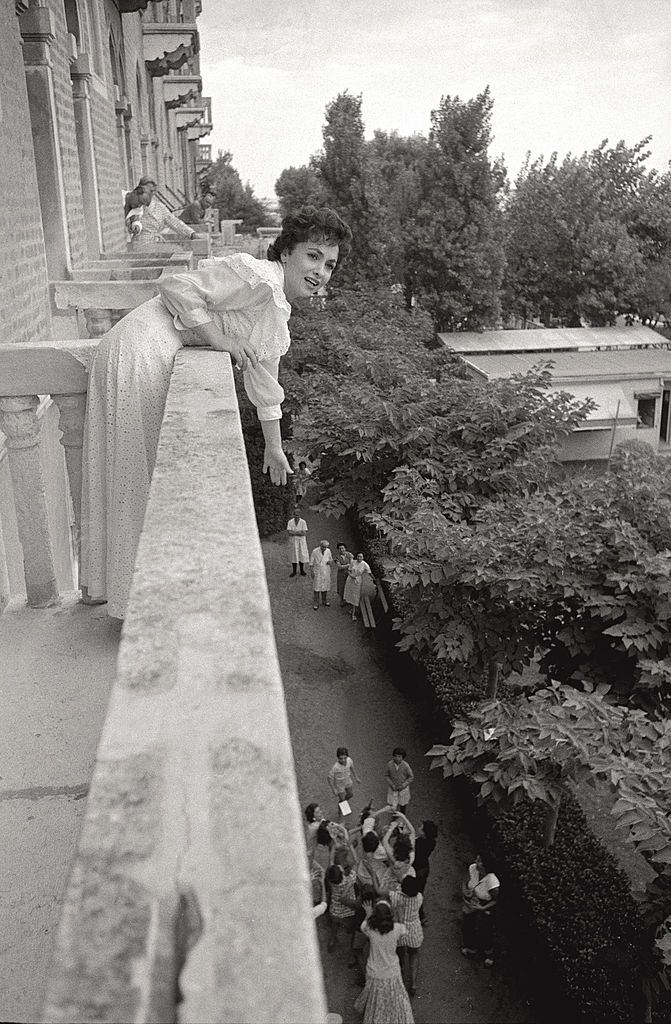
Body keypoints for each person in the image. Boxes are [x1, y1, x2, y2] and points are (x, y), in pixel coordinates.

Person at [80, 206, 351, 618]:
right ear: (287, 252)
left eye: (329, 264)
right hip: (142, 347)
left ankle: (128, 597)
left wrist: (274, 448)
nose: (320, 272)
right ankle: (137, 606)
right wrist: (219, 338)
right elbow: (175, 285)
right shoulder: (258, 277)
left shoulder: (275, 307)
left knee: (139, 476)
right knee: (139, 478)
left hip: (153, 351)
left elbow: (264, 384)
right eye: (313, 256)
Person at [353, 899, 414, 1024]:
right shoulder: (397, 928)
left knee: (376, 998)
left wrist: (368, 912)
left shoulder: (369, 928)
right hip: (392, 972)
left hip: (374, 971)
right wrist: (400, 916)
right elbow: (404, 930)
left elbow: (362, 925)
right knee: (394, 997)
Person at [129, 176, 197, 246]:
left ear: (154, 192)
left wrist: (191, 233)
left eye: (151, 191)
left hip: (156, 243)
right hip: (139, 245)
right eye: (145, 190)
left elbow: (174, 222)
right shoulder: (134, 206)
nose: (148, 194)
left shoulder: (159, 207)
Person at [461, 853, 500, 966]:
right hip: (472, 902)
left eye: (479, 861)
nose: (476, 862)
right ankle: (471, 948)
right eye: (477, 859)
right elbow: (465, 881)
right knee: (468, 925)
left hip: (485, 906)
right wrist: (465, 890)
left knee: (484, 931)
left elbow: (495, 900)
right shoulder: (472, 868)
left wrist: (482, 908)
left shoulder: (492, 882)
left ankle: (489, 954)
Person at [325, 863, 359, 962]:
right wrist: (351, 848)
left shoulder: (330, 881)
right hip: (348, 910)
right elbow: (356, 862)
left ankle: (332, 939)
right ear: (342, 873)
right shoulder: (349, 880)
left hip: (335, 911)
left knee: (334, 925)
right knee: (351, 923)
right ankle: (350, 931)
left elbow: (330, 862)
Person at [413, 820, 438, 923]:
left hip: (416, 868)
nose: (418, 828)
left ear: (424, 833)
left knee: (416, 891)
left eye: (420, 827)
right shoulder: (432, 842)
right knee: (420, 890)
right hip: (424, 867)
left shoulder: (418, 842)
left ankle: (420, 914)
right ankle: (421, 914)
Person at [343, 552, 372, 622]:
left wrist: (375, 580)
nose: (359, 558)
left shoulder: (365, 565)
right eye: (358, 556)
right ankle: (352, 609)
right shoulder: (353, 562)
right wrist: (351, 575)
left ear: (363, 557)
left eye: (361, 557)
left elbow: (369, 573)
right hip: (350, 580)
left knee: (355, 596)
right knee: (350, 594)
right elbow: (349, 570)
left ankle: (353, 613)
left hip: (357, 581)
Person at [385, 748, 414, 814]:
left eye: (399, 756)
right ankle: (394, 819)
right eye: (395, 756)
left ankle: (402, 819)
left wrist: (403, 785)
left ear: (402, 757)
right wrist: (391, 784)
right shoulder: (389, 764)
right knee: (393, 805)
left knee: (402, 805)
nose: (397, 758)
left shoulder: (406, 766)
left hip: (402, 789)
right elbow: (387, 775)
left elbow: (411, 777)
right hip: (393, 788)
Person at [309, 539, 333, 611]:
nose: (324, 548)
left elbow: (331, 559)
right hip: (317, 571)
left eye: (325, 547)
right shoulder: (315, 551)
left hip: (326, 570)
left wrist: (330, 561)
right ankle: (316, 602)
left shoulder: (328, 551)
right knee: (316, 587)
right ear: (320, 546)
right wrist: (312, 572)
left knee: (325, 586)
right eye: (323, 547)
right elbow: (311, 563)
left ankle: (324, 600)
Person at [286, 507, 309, 577]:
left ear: (300, 515)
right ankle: (294, 571)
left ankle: (302, 570)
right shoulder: (290, 522)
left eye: (298, 515)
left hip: (301, 542)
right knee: (294, 556)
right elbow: (289, 532)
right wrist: (299, 532)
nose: (296, 516)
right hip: (293, 542)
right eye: (295, 515)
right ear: (293, 515)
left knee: (301, 555)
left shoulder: (303, 522)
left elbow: (304, 533)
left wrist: (294, 533)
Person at [334, 542, 353, 607]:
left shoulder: (349, 555)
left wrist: (344, 566)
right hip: (341, 574)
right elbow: (339, 567)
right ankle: (341, 600)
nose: (341, 550)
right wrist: (348, 565)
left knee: (349, 586)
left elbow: (352, 564)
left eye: (342, 548)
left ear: (345, 548)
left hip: (349, 573)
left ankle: (349, 600)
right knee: (341, 587)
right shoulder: (337, 557)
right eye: (340, 549)